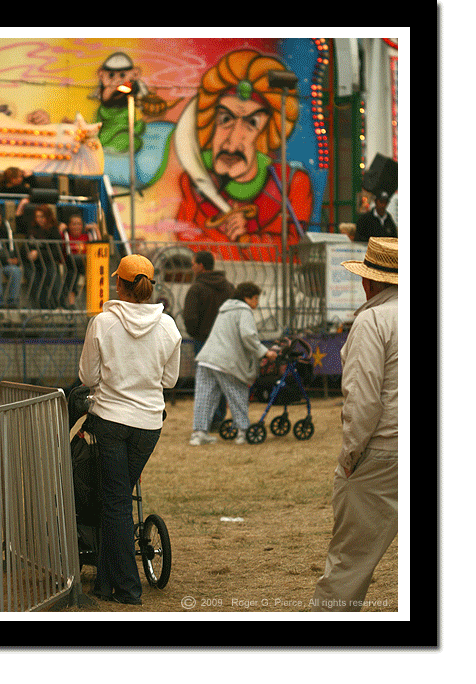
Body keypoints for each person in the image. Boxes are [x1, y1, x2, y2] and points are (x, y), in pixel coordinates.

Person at [78, 254, 181, 605]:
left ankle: (126, 587)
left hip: (110, 419)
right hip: (149, 423)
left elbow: (87, 377)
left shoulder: (103, 323)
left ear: (118, 284)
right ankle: (105, 584)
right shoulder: (168, 326)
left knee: (116, 503)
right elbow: (169, 379)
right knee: (117, 501)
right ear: (150, 288)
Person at [311, 237, 398, 611]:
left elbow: (364, 401)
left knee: (348, 565)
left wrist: (350, 455)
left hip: (383, 451)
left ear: (370, 282)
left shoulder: (373, 319)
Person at [174, 50, 311, 252]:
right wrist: (245, 246)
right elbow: (187, 242)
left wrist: (246, 240)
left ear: (265, 133)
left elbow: (295, 250)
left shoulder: (293, 184)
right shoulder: (193, 184)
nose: (232, 141)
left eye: (251, 123)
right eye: (225, 119)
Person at [189, 282, 276, 445]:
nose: (257, 302)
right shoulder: (244, 311)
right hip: (226, 362)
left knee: (205, 397)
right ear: (247, 298)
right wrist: (265, 352)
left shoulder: (225, 310)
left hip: (207, 359)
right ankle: (243, 432)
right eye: (255, 298)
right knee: (237, 394)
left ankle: (199, 433)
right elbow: (248, 336)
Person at [182, 250, 235, 429]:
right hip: (225, 342)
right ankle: (219, 418)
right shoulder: (228, 287)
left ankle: (206, 420)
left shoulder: (196, 289)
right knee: (221, 381)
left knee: (205, 382)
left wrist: (196, 333)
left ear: (201, 266)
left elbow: (189, 317)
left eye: (193, 263)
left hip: (203, 341)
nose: (192, 267)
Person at [22, 203, 64, 309]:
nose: (39, 219)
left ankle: (58, 304)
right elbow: (24, 247)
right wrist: (28, 254)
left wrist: (39, 254)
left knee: (52, 274)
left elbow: (56, 252)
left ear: (48, 217)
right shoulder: (31, 229)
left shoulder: (53, 231)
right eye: (37, 217)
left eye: (42, 217)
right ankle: (41, 307)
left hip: (47, 262)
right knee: (33, 278)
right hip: (32, 263)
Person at [62, 214, 92, 309]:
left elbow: (99, 243)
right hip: (70, 264)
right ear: (69, 226)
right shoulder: (66, 236)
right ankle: (71, 303)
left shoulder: (86, 236)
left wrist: (96, 229)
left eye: (79, 224)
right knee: (72, 271)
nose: (76, 227)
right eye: (74, 224)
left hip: (86, 264)